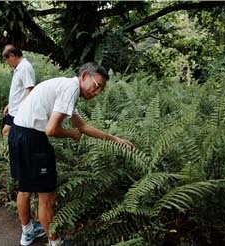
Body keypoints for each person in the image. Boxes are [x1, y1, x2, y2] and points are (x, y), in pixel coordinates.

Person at [8, 62, 135, 246]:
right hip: (33, 140)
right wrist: (70, 134)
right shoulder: (71, 89)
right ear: (84, 76)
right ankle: (56, 242)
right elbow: (51, 130)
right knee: (47, 197)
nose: (97, 92)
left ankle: (28, 232)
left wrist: (114, 139)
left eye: (101, 90)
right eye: (97, 86)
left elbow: (82, 126)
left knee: (25, 188)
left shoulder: (65, 86)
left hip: (17, 133)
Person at [1, 44, 36, 136]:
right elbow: (19, 90)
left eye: (6, 59)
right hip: (14, 109)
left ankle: (12, 150)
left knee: (7, 133)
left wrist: (26, 111)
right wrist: (9, 105)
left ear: (12, 56)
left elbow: (30, 90)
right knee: (7, 133)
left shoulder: (25, 68)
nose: (6, 62)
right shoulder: (19, 68)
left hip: (19, 111)